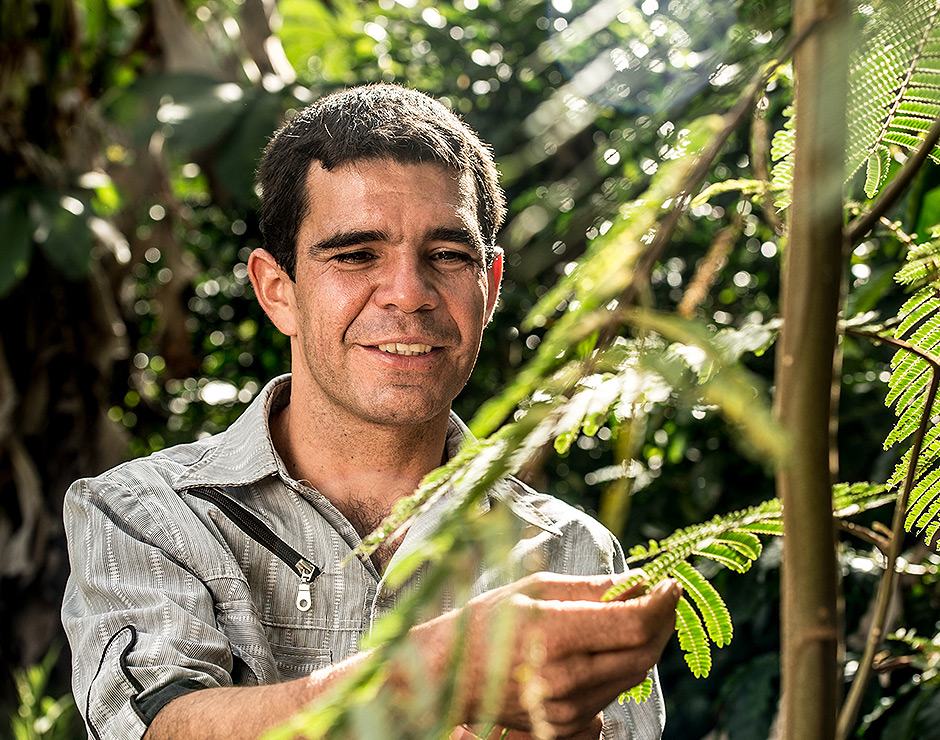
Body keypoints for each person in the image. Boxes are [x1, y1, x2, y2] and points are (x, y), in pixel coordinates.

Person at [62, 83, 679, 740]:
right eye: (355, 254)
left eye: (447, 254)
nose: (410, 294)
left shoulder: (572, 555)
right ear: (278, 292)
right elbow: (166, 729)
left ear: (490, 287)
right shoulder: (143, 515)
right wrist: (434, 673)